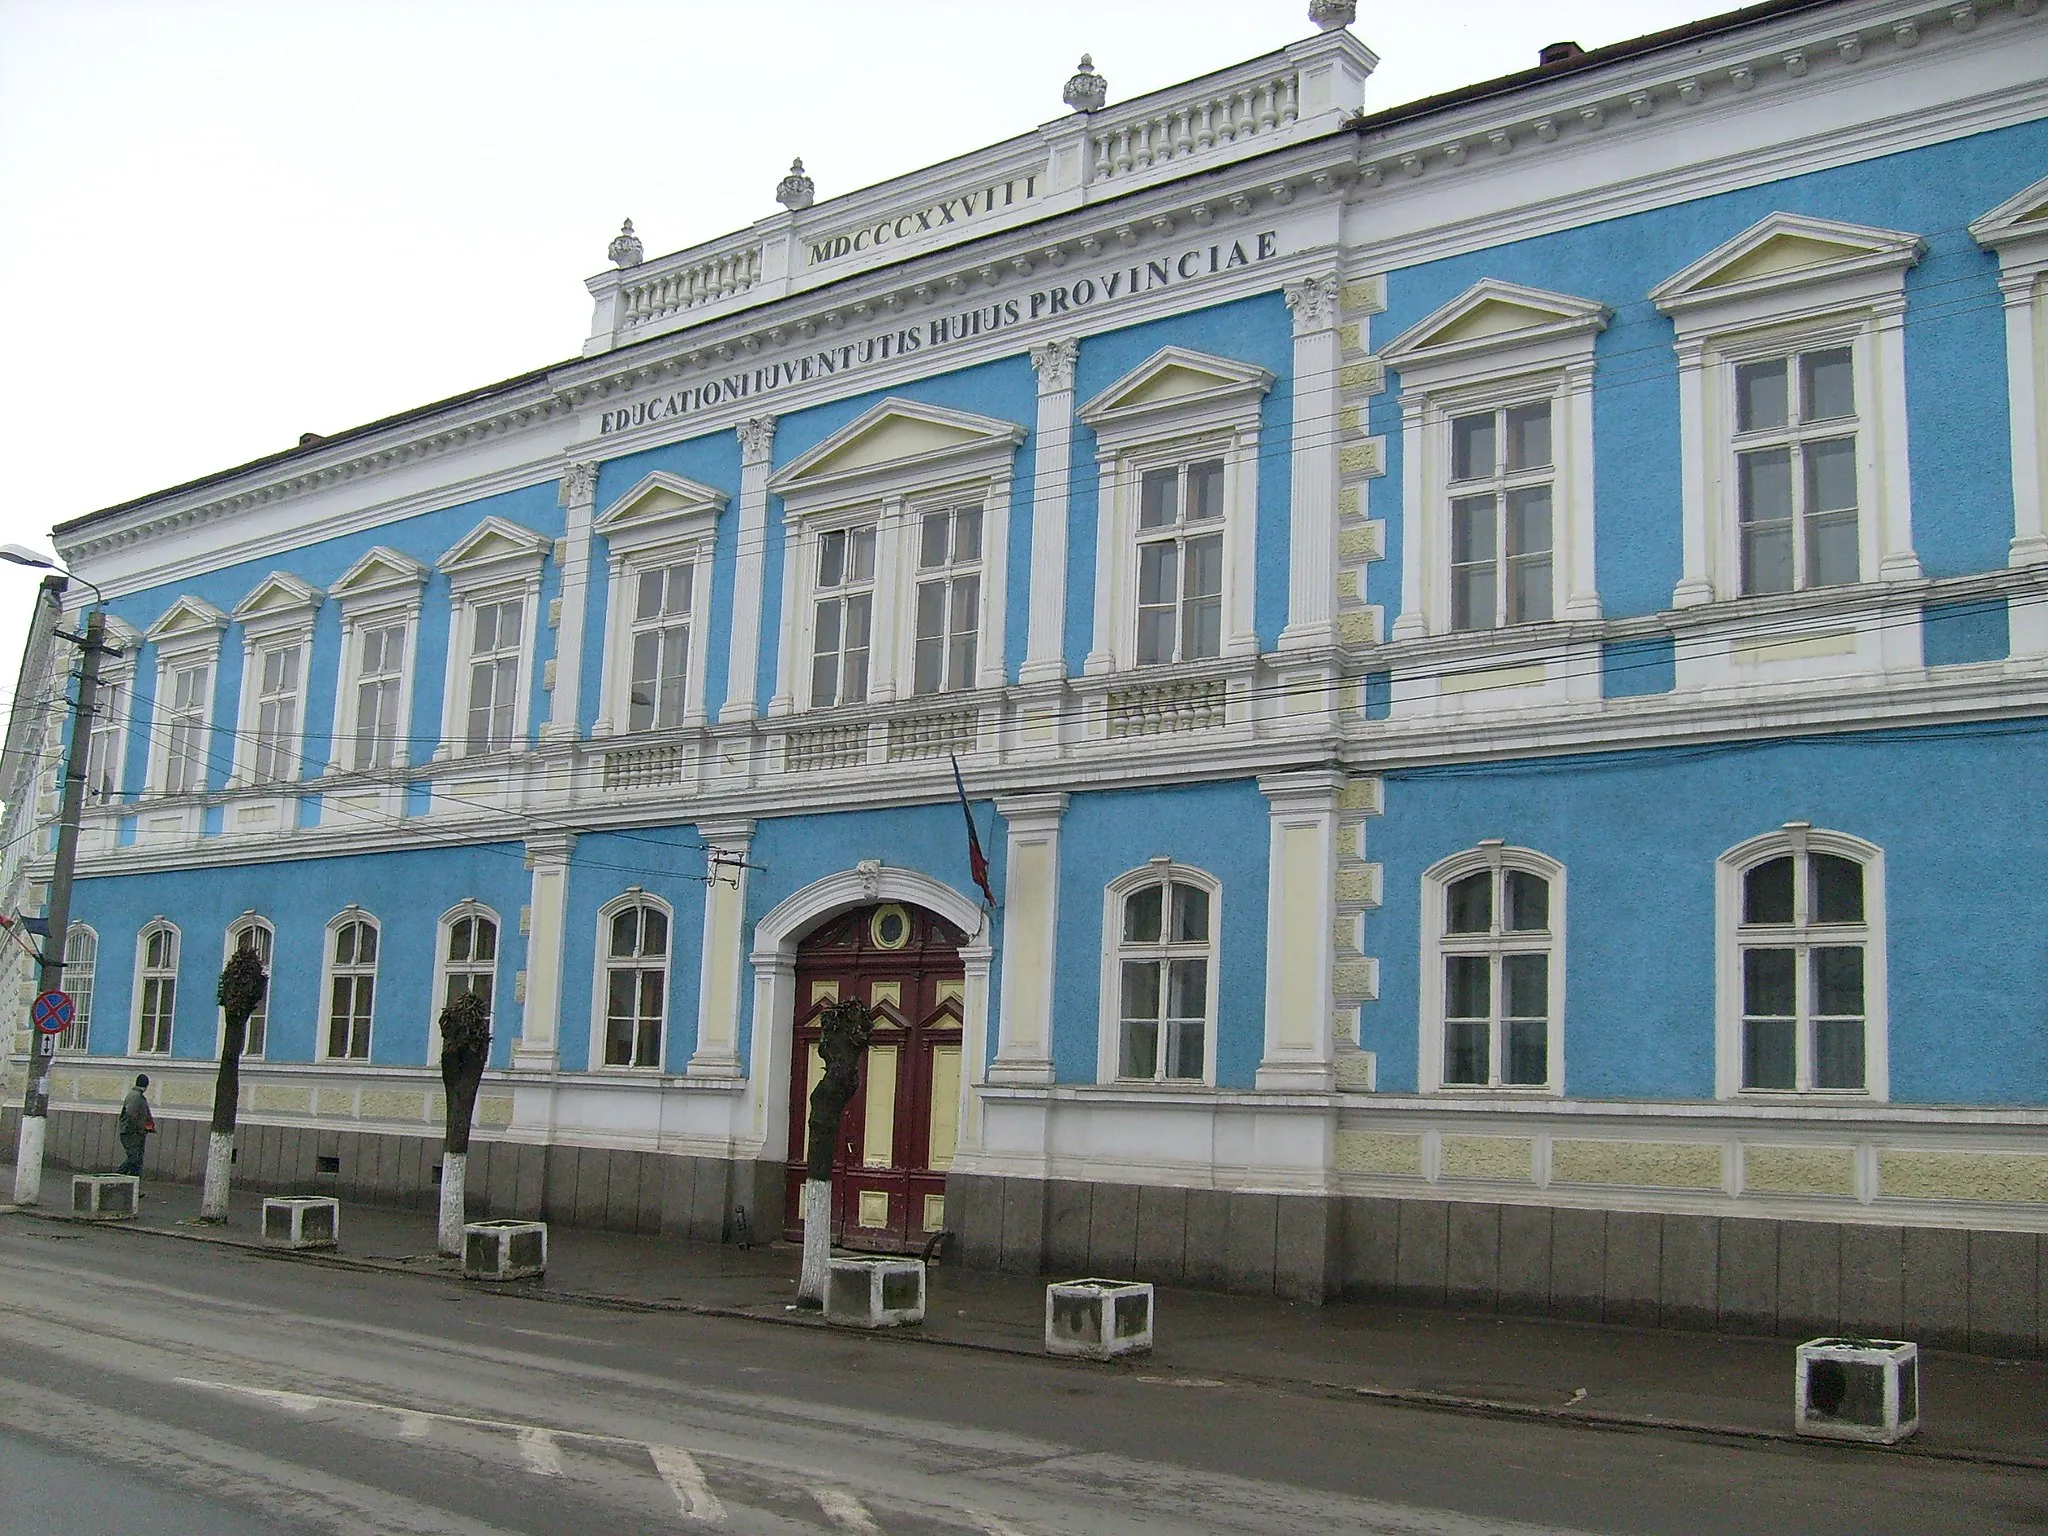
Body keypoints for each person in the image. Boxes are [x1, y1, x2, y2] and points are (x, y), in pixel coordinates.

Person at [117, 1073, 154, 1178]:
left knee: (137, 1162)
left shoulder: (137, 1096)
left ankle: (133, 1187)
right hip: (131, 1133)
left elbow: (143, 1114)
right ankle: (115, 1178)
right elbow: (131, 1114)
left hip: (135, 1132)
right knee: (134, 1159)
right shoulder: (135, 1096)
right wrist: (141, 1126)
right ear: (146, 1085)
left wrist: (148, 1126)